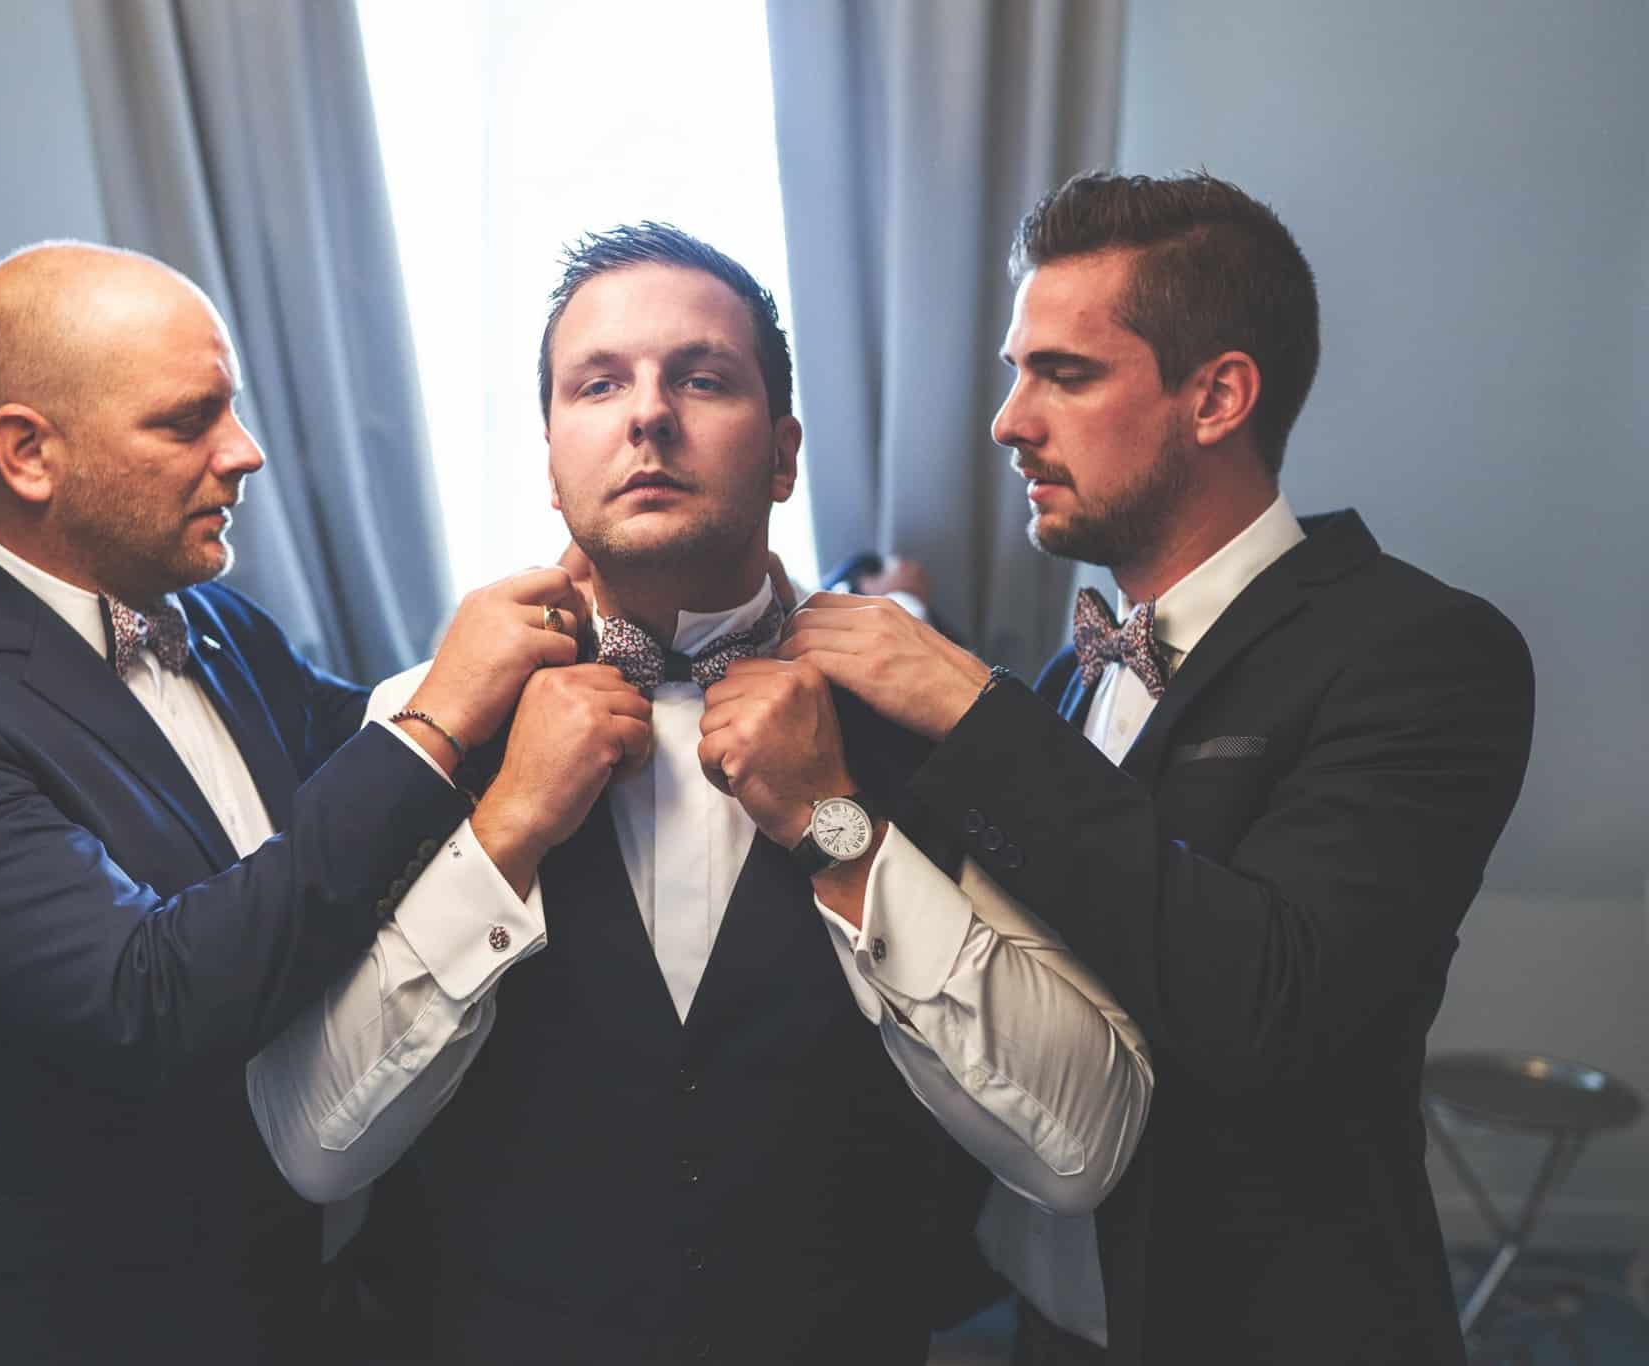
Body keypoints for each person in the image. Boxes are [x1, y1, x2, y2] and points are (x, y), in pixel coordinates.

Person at [246, 223, 1153, 1365]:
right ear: (549, 460)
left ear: (782, 456)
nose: (647, 415)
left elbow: (1083, 1149)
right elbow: (312, 1149)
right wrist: (506, 828)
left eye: (702, 378)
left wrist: (838, 830)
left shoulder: (926, 722)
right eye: (598, 383)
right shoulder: (423, 721)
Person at [0, 242, 584, 1365]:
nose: (245, 451)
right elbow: (140, 1002)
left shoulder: (211, 616)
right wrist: (443, 716)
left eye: (232, 407)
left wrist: (581, 617)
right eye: (187, 421)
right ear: (27, 453)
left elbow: (354, 758)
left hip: (335, 1297)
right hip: (110, 1324)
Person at [778, 173, 1536, 1364]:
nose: (1007, 421)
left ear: (1216, 397)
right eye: (1014, 372)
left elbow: (1267, 1003)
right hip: (1033, 1327)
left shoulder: (1422, 651)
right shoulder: (1066, 679)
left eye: (1063, 374)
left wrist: (972, 712)